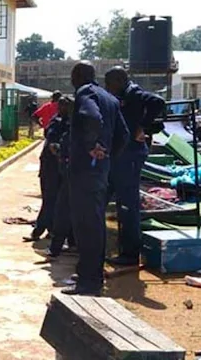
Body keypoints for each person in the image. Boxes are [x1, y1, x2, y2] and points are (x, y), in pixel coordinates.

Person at [62, 62, 128, 296]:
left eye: (72, 76)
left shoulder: (85, 92)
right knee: (95, 223)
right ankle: (90, 273)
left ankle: (89, 282)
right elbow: (124, 135)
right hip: (99, 172)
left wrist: (93, 147)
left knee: (86, 226)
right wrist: (107, 157)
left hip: (85, 172)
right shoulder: (109, 98)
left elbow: (91, 117)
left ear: (78, 76)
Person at [105, 67, 166, 266]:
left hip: (131, 154)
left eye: (110, 82)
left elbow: (158, 102)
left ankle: (130, 254)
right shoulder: (123, 95)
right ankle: (122, 248)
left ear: (120, 80)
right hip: (122, 155)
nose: (108, 87)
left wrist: (142, 126)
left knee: (128, 205)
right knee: (119, 201)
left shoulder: (134, 93)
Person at [23, 97, 63, 242]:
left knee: (50, 200)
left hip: (54, 167)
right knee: (53, 200)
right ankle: (50, 230)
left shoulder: (58, 122)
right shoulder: (59, 122)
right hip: (54, 166)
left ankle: (42, 231)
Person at [42, 97, 77, 258]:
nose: (63, 108)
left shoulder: (75, 123)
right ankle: (47, 230)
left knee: (64, 206)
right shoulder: (56, 122)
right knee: (52, 200)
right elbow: (51, 141)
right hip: (52, 167)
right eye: (61, 105)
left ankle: (67, 241)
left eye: (66, 105)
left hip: (67, 170)